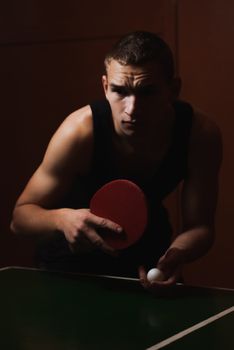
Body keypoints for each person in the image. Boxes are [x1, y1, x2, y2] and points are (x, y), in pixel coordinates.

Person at [10, 31, 222, 290]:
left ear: (173, 90)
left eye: (147, 92)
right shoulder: (79, 132)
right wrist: (63, 219)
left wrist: (177, 253)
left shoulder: (199, 135)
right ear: (105, 87)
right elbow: (20, 218)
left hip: (148, 257)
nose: (132, 109)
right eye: (120, 91)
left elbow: (200, 225)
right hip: (71, 265)